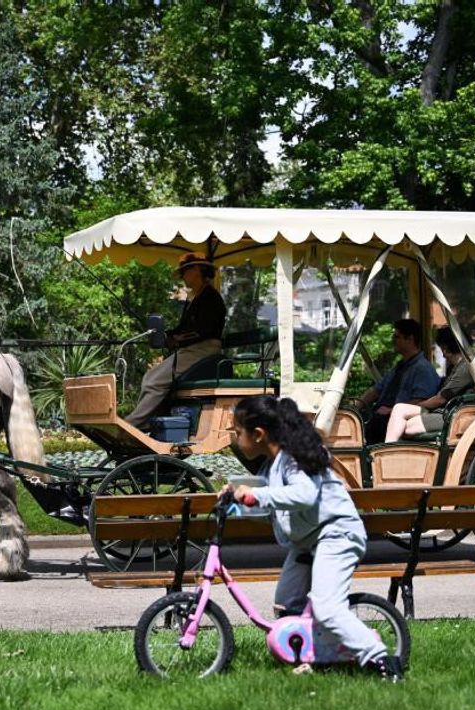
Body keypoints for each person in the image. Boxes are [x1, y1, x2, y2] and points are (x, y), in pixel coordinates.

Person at [224, 395, 404, 681]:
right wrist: (236, 499)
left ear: (258, 434)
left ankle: (382, 660)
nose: (234, 437)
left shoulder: (294, 457)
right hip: (309, 540)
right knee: (287, 603)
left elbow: (304, 494)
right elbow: (274, 504)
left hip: (337, 533)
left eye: (237, 432)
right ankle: (310, 654)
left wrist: (255, 494)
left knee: (328, 607)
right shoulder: (272, 464)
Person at [125, 252, 226, 428]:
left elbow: (203, 331)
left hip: (203, 349)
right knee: (150, 376)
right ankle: (153, 421)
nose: (182, 277)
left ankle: (135, 424)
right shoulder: (194, 298)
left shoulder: (211, 297)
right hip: (191, 349)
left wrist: (176, 339)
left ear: (196, 270)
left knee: (155, 381)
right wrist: (167, 336)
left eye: (184, 272)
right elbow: (184, 329)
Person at [351, 318, 440, 444]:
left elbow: (422, 401)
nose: (393, 341)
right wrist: (355, 406)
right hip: (379, 416)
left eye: (397, 337)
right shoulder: (399, 367)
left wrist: (391, 410)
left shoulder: (422, 369)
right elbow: (376, 390)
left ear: (410, 339)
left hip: (392, 421)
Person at [384, 327, 475, 443]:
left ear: (446, 348)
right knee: (399, 409)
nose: (443, 355)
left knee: (407, 427)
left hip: (453, 416)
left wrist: (420, 404)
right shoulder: (456, 366)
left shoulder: (465, 367)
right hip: (444, 411)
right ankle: (387, 447)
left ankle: (388, 451)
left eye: (442, 348)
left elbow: (440, 399)